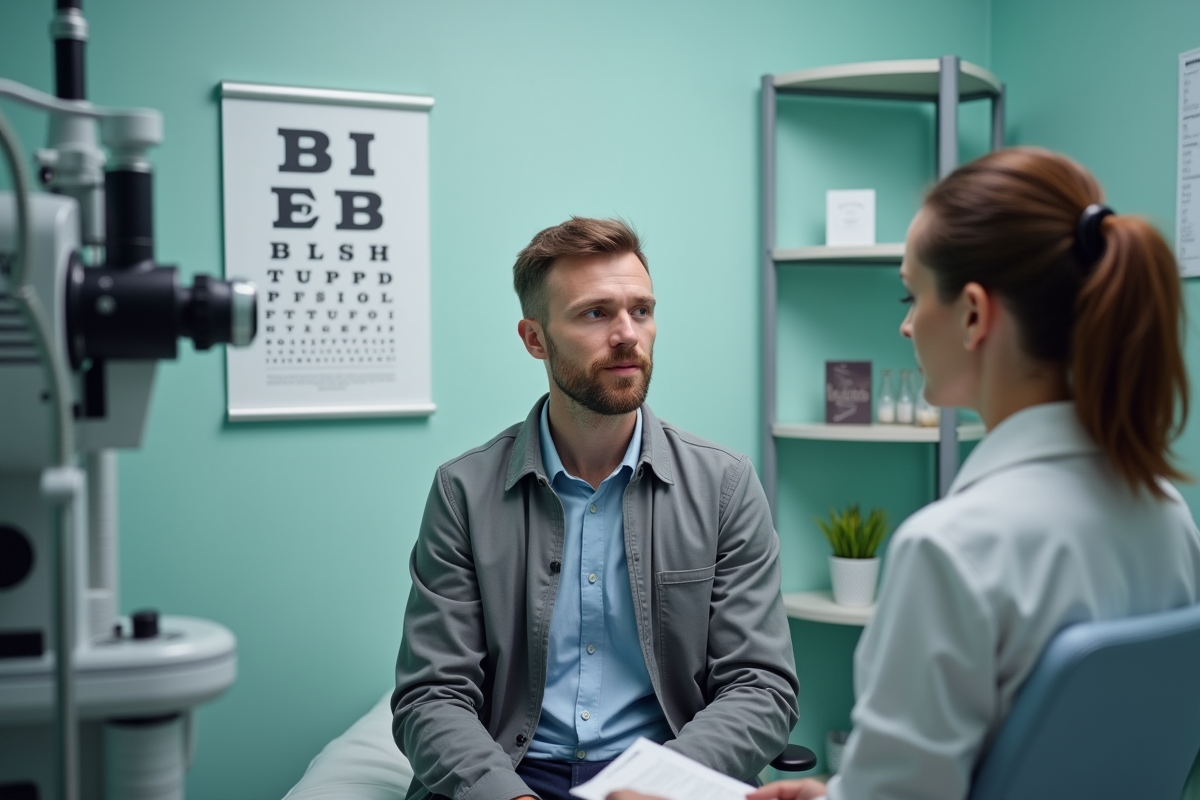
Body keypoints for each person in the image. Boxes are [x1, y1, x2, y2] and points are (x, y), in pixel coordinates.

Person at [611, 145, 1200, 800]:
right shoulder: (1167, 517)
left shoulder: (954, 551)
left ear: (974, 315)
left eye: (912, 293)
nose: (906, 325)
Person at [391, 217, 800, 800]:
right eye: (595, 313)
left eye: (642, 309)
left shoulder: (725, 485)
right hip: (512, 778)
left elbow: (760, 685)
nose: (628, 334)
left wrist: (663, 786)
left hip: (670, 775)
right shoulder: (464, 490)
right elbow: (431, 694)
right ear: (535, 339)